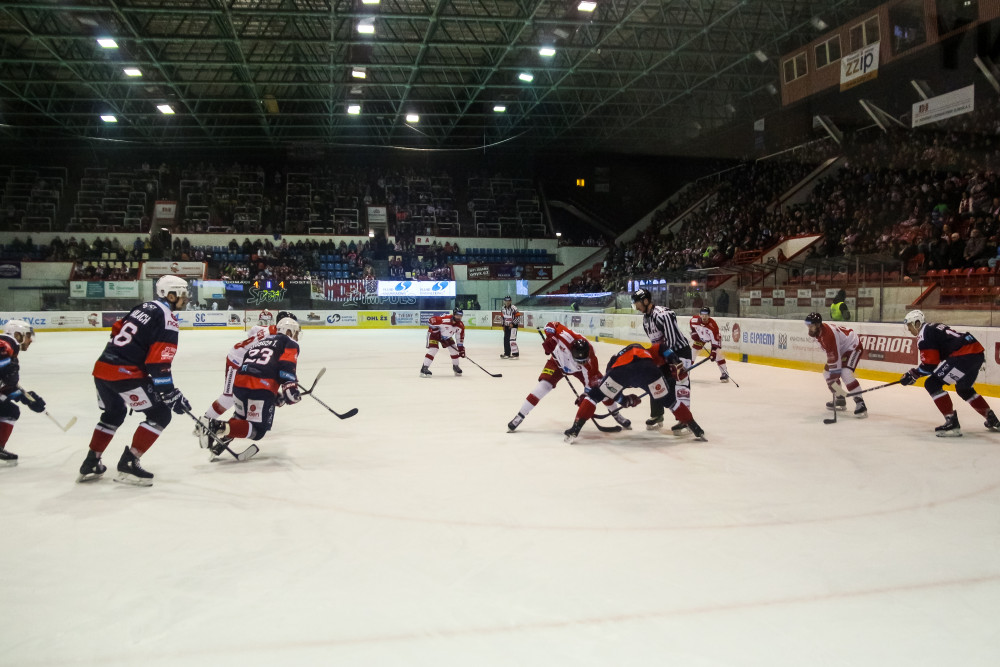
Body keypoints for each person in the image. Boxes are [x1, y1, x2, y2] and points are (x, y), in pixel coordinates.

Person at [78, 275, 192, 486]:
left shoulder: (142, 307)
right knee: (160, 414)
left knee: (113, 413)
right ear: (170, 295)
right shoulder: (167, 318)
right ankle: (129, 462)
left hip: (102, 368)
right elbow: (158, 362)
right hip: (125, 373)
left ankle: (91, 461)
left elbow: (116, 330)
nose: (186, 299)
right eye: (183, 294)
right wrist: (168, 392)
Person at [198, 317, 302, 455]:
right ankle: (215, 426)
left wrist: (274, 396)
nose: (296, 336)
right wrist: (290, 388)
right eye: (295, 333)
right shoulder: (290, 343)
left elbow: (257, 365)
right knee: (258, 430)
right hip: (259, 387)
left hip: (239, 383)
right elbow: (286, 365)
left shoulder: (261, 342)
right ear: (289, 331)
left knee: (240, 416)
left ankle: (222, 439)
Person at [564, 342, 704, 443]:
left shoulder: (614, 359)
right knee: (671, 401)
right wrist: (676, 362)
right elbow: (663, 348)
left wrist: (624, 400)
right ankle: (696, 428)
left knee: (595, 395)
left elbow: (611, 390)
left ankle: (575, 429)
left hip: (620, 371)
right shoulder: (649, 351)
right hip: (649, 371)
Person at [507, 322, 631, 432]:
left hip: (579, 371)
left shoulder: (590, 362)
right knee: (544, 385)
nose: (582, 363)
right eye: (579, 361)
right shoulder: (566, 337)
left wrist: (585, 397)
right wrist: (551, 338)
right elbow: (551, 325)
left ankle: (616, 414)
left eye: (584, 361)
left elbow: (589, 386)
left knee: (601, 388)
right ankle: (520, 416)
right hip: (557, 362)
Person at [900, 310, 999, 436]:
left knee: (932, 384)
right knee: (964, 389)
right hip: (976, 353)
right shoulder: (932, 327)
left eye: (909, 325)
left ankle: (951, 421)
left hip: (963, 355)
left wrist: (912, 374)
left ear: (917, 323)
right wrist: (915, 374)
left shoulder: (924, 334)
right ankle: (992, 418)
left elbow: (930, 364)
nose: (909, 329)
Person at [201, 311, 297, 421]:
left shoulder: (268, 329)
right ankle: (205, 420)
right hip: (237, 360)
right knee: (229, 397)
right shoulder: (277, 339)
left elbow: (253, 331)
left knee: (249, 390)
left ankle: (238, 419)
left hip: (249, 360)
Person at [630, 288, 693, 432]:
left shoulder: (663, 314)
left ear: (646, 301)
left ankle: (685, 419)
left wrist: (672, 361)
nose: (636, 307)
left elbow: (672, 340)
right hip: (664, 354)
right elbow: (655, 343)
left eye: (637, 303)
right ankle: (657, 414)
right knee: (654, 380)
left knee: (681, 382)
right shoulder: (646, 319)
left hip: (679, 352)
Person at [0, 320, 45, 466]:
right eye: (28, 336)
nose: (30, 340)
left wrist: (25, 397)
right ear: (17, 335)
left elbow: (6, 385)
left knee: (9, 410)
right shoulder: (5, 344)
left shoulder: (10, 349)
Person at [805, 312, 867, 417]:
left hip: (853, 346)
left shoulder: (828, 335)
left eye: (811, 325)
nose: (809, 328)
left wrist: (834, 377)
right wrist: (833, 379)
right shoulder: (818, 332)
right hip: (841, 350)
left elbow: (834, 357)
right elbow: (832, 355)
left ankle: (860, 402)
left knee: (845, 373)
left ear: (818, 325)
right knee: (827, 373)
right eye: (808, 325)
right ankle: (840, 398)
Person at [420, 308, 465, 377]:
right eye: (457, 315)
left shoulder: (460, 326)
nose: (459, 317)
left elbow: (459, 338)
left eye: (460, 316)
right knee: (433, 349)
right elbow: (430, 320)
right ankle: (424, 368)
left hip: (447, 337)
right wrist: (435, 330)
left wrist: (461, 349)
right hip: (435, 335)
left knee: (454, 350)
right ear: (454, 314)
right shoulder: (444, 320)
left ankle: (455, 366)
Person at [689, 307, 729, 382]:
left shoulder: (713, 325)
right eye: (702, 315)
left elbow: (715, 341)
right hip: (701, 338)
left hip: (714, 338)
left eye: (706, 315)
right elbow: (692, 325)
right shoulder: (694, 320)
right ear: (699, 315)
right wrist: (694, 332)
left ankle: (724, 373)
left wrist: (713, 352)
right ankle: (686, 372)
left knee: (718, 354)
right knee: (693, 352)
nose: (704, 317)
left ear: (709, 315)